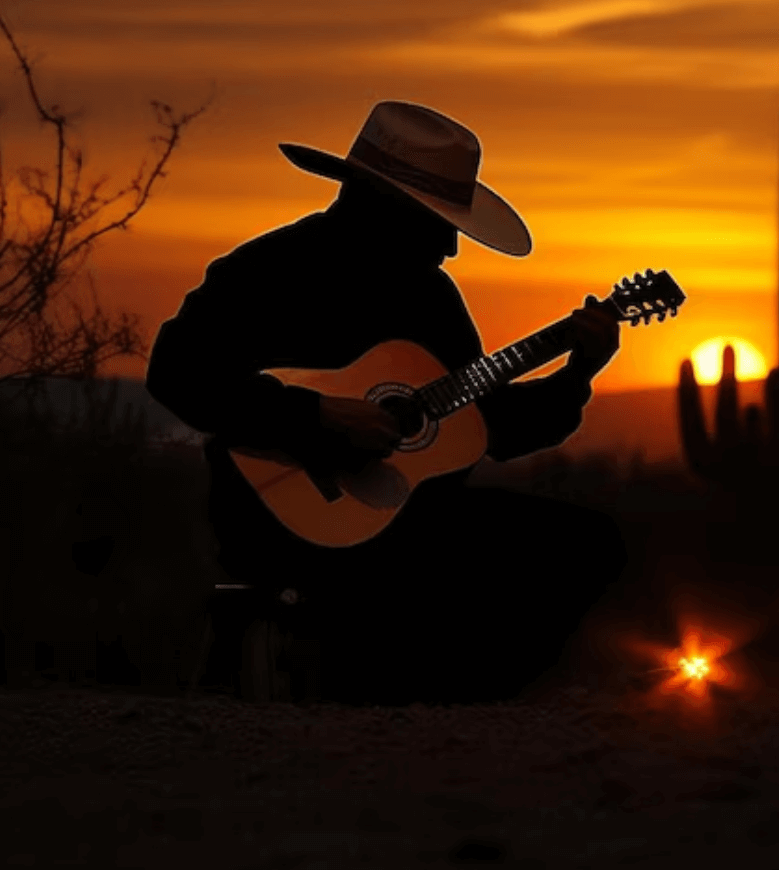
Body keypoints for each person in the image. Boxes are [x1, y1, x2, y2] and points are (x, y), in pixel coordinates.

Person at [146, 101, 627, 703]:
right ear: (387, 206)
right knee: (425, 584)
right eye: (439, 222)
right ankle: (416, 701)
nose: (452, 246)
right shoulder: (267, 270)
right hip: (270, 525)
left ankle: (461, 710)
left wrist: (576, 372)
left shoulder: (432, 300)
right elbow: (177, 371)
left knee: (586, 545)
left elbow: (488, 426)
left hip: (412, 523)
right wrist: (312, 415)